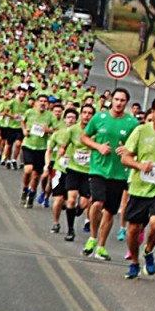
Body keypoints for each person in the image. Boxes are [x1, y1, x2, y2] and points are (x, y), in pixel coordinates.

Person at [118, 95, 155, 280]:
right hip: (139, 187)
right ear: (152, 112)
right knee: (133, 230)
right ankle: (134, 262)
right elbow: (125, 157)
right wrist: (139, 165)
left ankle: (149, 250)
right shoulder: (141, 131)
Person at [81, 88, 139, 261]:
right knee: (97, 202)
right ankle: (92, 237)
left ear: (126, 103)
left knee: (109, 212)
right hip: (98, 168)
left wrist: (127, 151)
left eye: (122, 100)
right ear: (111, 100)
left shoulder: (132, 123)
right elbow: (84, 137)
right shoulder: (99, 117)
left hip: (118, 173)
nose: (119, 103)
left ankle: (101, 246)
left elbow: (136, 147)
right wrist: (98, 147)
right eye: (116, 99)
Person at [61, 103, 96, 242]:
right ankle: (70, 230)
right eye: (85, 113)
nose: (87, 116)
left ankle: (76, 211)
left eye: (90, 113)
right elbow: (64, 145)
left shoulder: (96, 132)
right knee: (71, 199)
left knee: (84, 203)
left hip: (88, 171)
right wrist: (62, 152)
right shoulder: (73, 130)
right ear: (80, 114)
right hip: (73, 169)